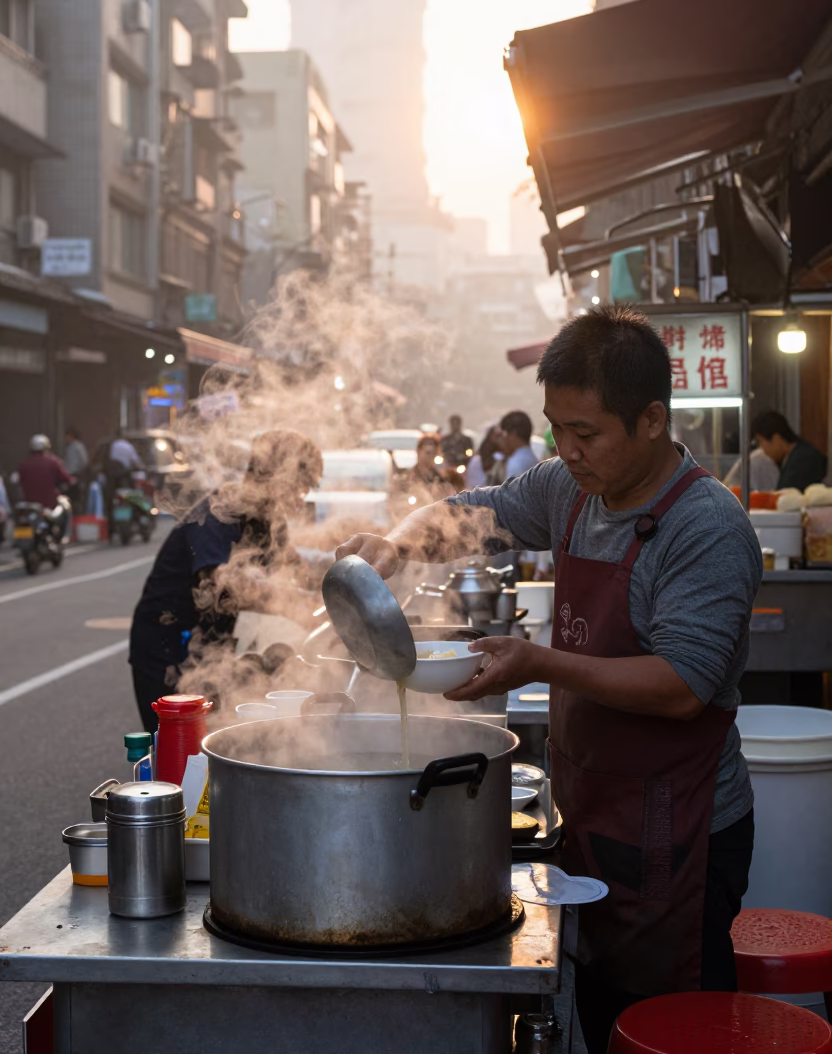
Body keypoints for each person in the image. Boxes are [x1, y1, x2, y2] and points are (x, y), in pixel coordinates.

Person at [337, 306, 761, 1054]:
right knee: (601, 1015)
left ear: (654, 420)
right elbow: (477, 513)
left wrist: (536, 661)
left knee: (672, 1028)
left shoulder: (707, 526)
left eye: (586, 434)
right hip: (593, 809)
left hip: (681, 827)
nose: (565, 451)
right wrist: (399, 544)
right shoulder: (571, 490)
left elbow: (682, 684)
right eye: (555, 428)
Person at [129, 430, 322, 732]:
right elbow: (221, 587)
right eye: (299, 487)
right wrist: (293, 606)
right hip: (168, 644)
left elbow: (298, 567)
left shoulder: (269, 519)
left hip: (211, 644)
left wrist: (336, 592)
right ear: (272, 476)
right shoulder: (221, 511)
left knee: (215, 740)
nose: (300, 500)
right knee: (177, 748)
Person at [750, 410, 827, 492]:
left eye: (760, 442)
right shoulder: (792, 457)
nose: (762, 449)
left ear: (776, 438)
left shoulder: (804, 459)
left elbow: (786, 496)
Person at [393, 434, 454, 512]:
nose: (431, 456)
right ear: (418, 452)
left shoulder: (441, 480)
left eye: (434, 453)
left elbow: (448, 504)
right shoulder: (406, 478)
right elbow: (396, 503)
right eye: (428, 452)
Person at [17, 435, 72, 509]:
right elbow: (66, 479)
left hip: (30, 505)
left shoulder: (24, 465)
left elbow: (19, 483)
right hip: (50, 504)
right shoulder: (53, 462)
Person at [498, 410, 538, 478]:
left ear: (513, 435)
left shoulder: (516, 462)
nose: (503, 439)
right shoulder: (534, 459)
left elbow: (512, 488)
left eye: (504, 434)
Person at [63, 427, 89, 515]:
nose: (66, 439)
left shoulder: (78, 446)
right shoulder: (69, 448)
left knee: (75, 498)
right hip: (69, 475)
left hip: (75, 474)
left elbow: (84, 461)